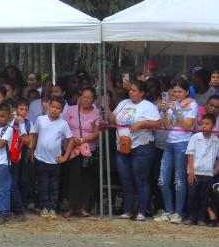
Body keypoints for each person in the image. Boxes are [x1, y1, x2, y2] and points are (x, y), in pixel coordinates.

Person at [105, 80, 161, 220]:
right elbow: (113, 120)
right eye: (130, 90)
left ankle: (142, 211)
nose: (131, 92)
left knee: (140, 179)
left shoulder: (148, 106)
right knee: (126, 179)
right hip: (122, 146)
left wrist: (142, 123)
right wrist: (106, 107)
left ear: (142, 93)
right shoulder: (123, 103)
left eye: (134, 90)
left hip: (141, 146)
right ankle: (128, 210)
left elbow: (157, 123)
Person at [155, 79, 198, 224]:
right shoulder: (172, 104)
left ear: (186, 92)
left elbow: (187, 126)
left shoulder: (192, 104)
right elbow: (167, 126)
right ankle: (169, 211)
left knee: (179, 180)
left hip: (183, 143)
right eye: (175, 91)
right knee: (162, 180)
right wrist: (165, 110)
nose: (177, 94)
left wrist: (176, 110)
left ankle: (178, 213)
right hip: (169, 143)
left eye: (180, 91)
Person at [30, 98, 75, 219]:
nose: (54, 110)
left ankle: (52, 208)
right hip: (40, 158)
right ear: (48, 107)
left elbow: (71, 139)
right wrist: (31, 152)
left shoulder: (63, 123)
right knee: (43, 184)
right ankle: (44, 207)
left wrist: (65, 156)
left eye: (58, 108)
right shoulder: (40, 120)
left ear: (61, 111)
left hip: (55, 160)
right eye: (53, 107)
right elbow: (34, 135)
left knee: (54, 185)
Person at [63, 88, 101, 217]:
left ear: (93, 99)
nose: (86, 100)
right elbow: (64, 125)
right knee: (72, 178)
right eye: (84, 97)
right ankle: (72, 207)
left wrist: (84, 139)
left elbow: (96, 132)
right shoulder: (71, 110)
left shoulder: (96, 112)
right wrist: (71, 138)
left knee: (87, 180)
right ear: (81, 97)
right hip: (71, 148)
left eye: (89, 98)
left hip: (88, 149)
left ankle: (84, 207)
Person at [185, 114, 219, 225]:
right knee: (192, 195)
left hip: (208, 173)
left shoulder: (216, 140)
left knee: (204, 197)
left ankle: (201, 218)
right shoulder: (196, 137)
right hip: (195, 172)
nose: (204, 126)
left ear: (213, 126)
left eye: (207, 124)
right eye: (202, 124)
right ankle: (190, 217)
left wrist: (216, 170)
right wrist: (191, 172)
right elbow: (190, 154)